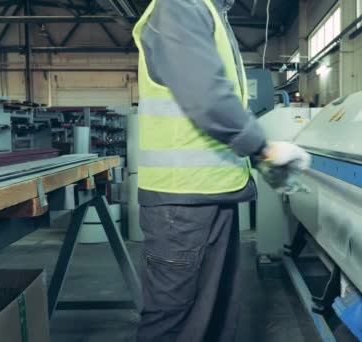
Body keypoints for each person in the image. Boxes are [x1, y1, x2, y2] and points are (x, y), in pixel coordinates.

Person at [132, 0, 311, 341]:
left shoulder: (211, 12)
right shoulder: (179, 7)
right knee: (175, 322)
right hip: (180, 203)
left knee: (214, 317)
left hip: (209, 195)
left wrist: (259, 157)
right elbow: (207, 97)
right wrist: (264, 149)